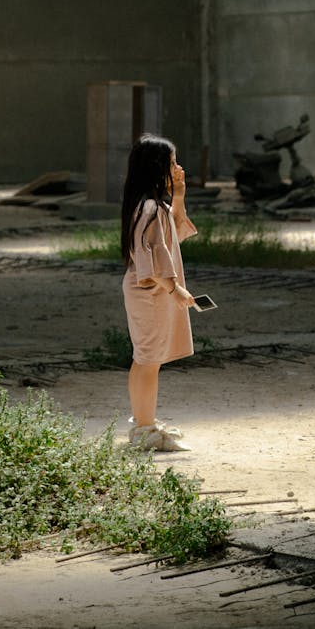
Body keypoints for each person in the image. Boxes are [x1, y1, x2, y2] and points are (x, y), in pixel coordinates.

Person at [121, 134, 197, 452]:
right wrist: (175, 288)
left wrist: (178, 194)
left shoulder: (152, 205)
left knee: (147, 360)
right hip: (150, 292)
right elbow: (151, 255)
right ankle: (144, 429)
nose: (177, 168)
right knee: (148, 360)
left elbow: (172, 239)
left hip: (154, 291)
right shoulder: (149, 208)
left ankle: (144, 422)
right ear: (157, 167)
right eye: (172, 163)